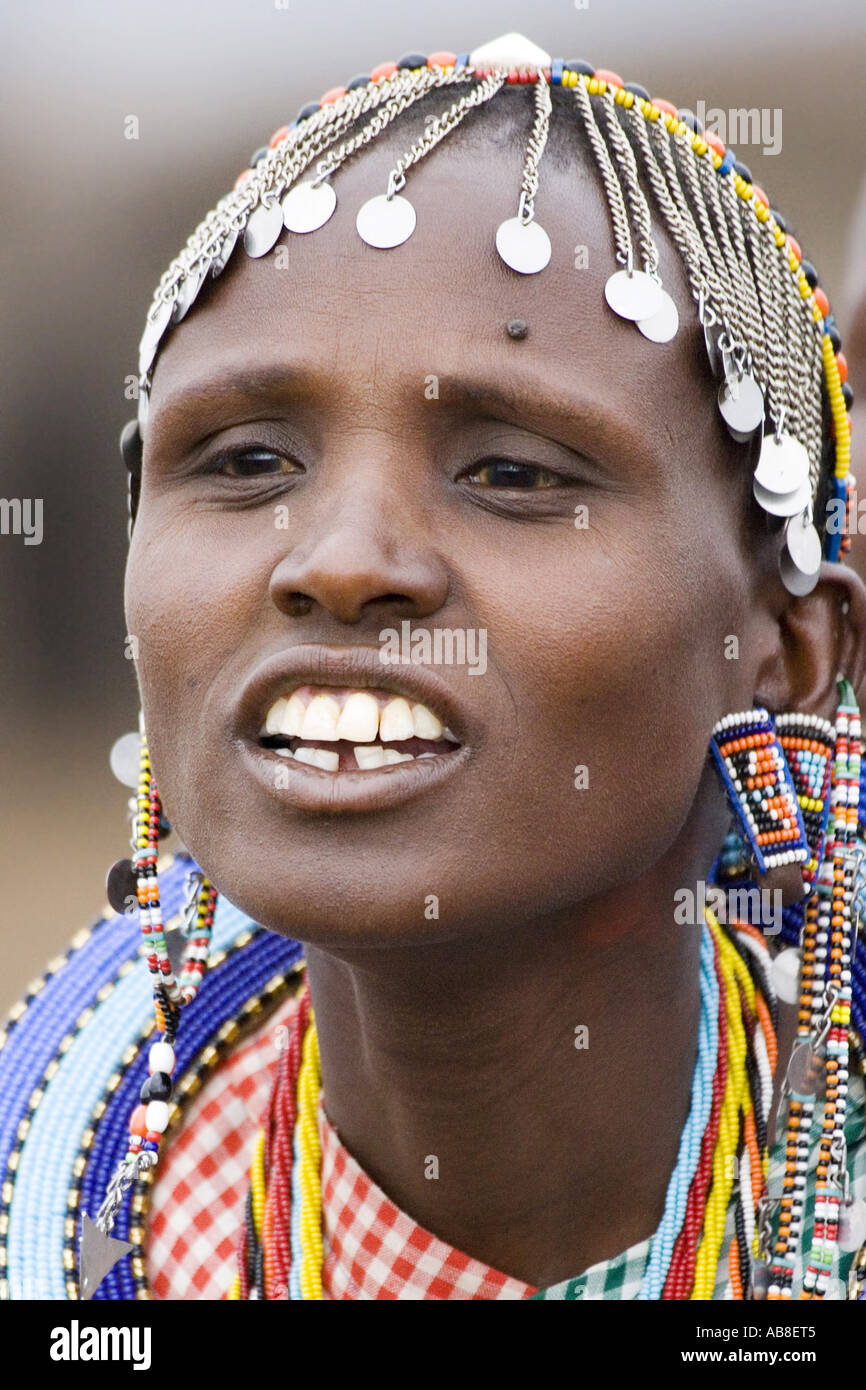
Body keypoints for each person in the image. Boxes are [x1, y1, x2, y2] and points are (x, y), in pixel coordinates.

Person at [2, 32, 866, 1303]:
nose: (342, 561)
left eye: (512, 473)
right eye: (246, 462)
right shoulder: (61, 1221)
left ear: (790, 651)